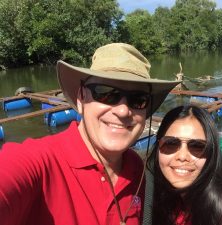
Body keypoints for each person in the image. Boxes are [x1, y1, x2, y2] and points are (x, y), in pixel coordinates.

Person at [0, 43, 180, 225]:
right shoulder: (38, 161)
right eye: (106, 94)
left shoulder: (137, 169)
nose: (123, 111)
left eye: (138, 100)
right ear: (81, 99)